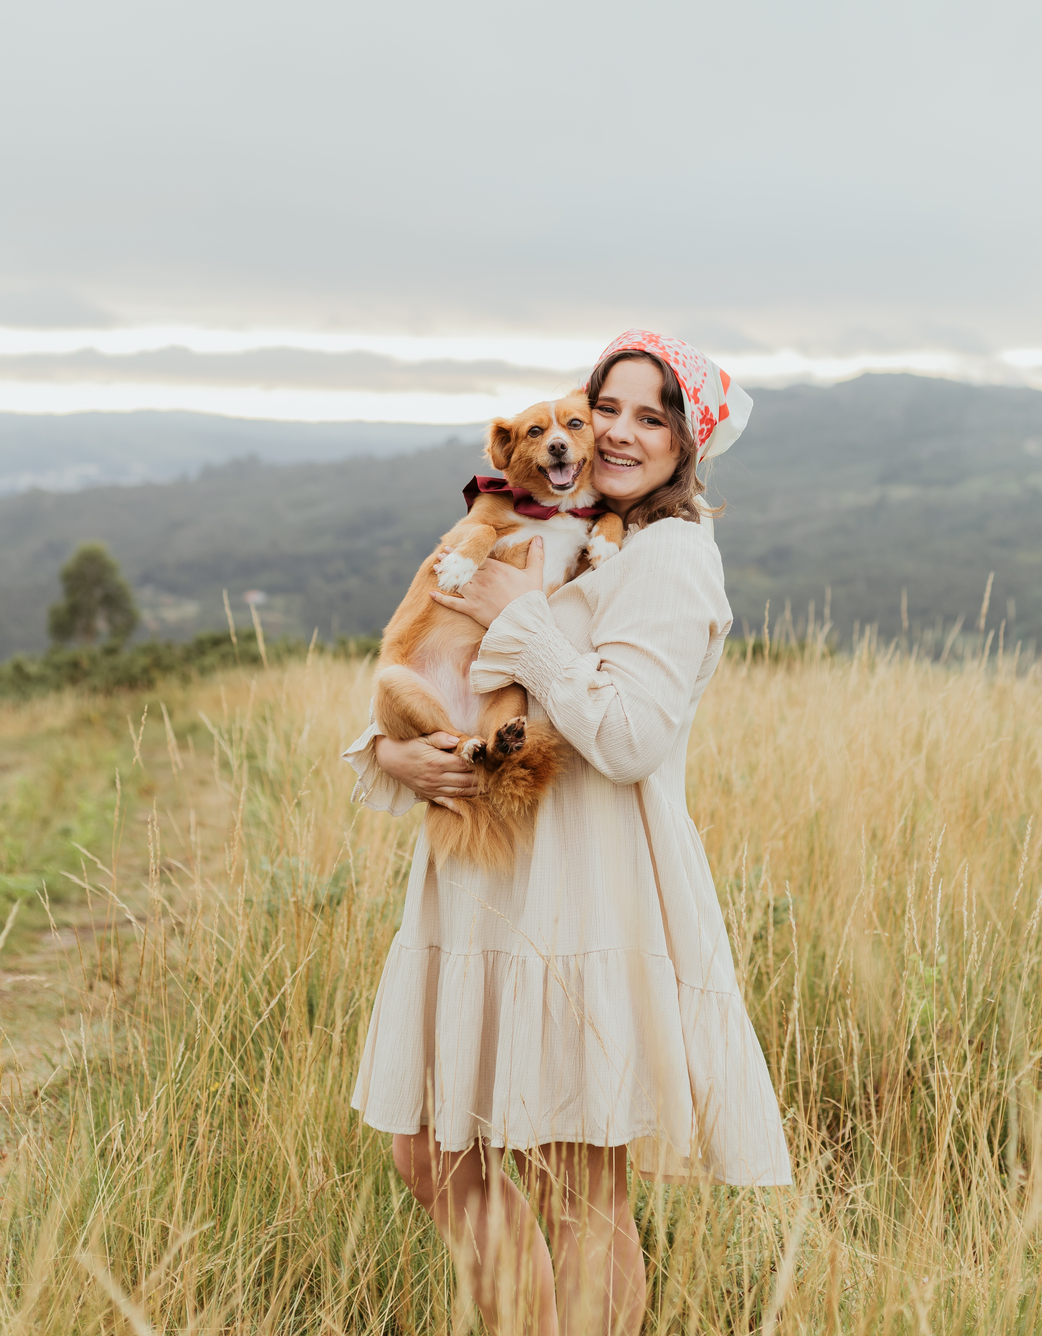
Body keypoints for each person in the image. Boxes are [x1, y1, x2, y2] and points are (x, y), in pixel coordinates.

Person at [342, 330, 791, 1333]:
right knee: (432, 1153)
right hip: (478, 886)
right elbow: (439, 655)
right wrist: (389, 754)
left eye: (654, 417)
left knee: (576, 1186)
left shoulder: (671, 558)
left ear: (689, 444)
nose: (622, 434)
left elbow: (629, 737)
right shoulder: (535, 524)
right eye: (608, 409)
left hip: (579, 892)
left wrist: (528, 619)